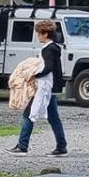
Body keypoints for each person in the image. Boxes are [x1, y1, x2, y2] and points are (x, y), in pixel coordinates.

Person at [9, 19, 68, 155]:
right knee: (53, 117)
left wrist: (34, 74)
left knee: (28, 114)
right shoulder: (54, 48)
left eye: (39, 33)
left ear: (45, 34)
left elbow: (48, 67)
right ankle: (61, 145)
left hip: (45, 87)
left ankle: (23, 145)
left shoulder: (48, 49)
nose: (38, 36)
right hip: (50, 88)